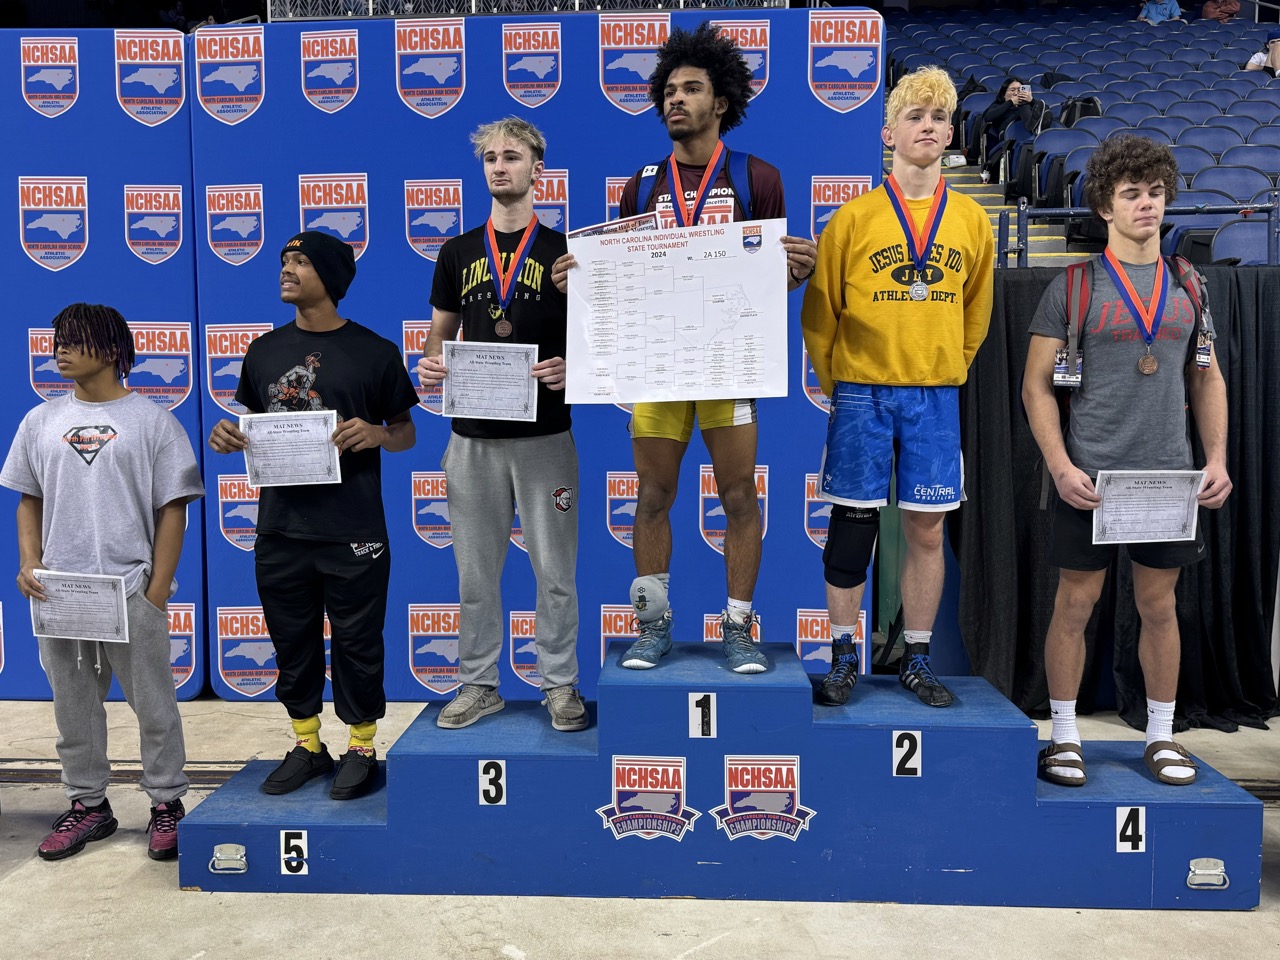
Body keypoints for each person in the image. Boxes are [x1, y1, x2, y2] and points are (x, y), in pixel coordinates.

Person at [552, 22, 817, 674]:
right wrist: (580, 280)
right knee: (651, 496)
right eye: (669, 90)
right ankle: (653, 627)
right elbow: (620, 282)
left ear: (721, 101)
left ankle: (738, 629)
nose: (676, 99)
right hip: (657, 368)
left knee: (739, 498)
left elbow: (769, 284)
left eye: (691, 89)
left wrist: (796, 270)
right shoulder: (642, 184)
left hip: (728, 366)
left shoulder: (757, 177)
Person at [1022, 135, 1231, 787]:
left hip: (1167, 476)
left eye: (1156, 192)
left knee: (1160, 606)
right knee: (1075, 604)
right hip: (1090, 474)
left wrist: (1217, 458)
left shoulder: (1189, 284)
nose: (1147, 203)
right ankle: (1063, 736)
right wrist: (1060, 465)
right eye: (1131, 193)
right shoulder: (1074, 286)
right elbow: (1036, 386)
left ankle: (1161, 736)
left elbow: (1206, 376)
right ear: (1105, 207)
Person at [801, 65, 995, 709]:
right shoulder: (853, 219)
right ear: (888, 133)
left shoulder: (971, 220)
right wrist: (841, 382)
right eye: (915, 116)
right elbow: (821, 313)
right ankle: (843, 658)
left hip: (934, 394)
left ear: (951, 133)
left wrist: (949, 365)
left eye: (939, 117)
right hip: (863, 392)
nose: (928, 127)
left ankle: (916, 657)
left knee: (927, 531)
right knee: (852, 529)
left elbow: (976, 308)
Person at [208, 231, 418, 801]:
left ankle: (362, 747)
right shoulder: (262, 351)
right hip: (281, 528)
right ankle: (307, 744)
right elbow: (253, 425)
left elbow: (406, 431)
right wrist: (228, 434)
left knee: (357, 643)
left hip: (353, 528)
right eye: (284, 260)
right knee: (291, 643)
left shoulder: (375, 351)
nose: (287, 269)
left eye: (301, 261)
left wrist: (377, 433)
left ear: (331, 277)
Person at [2, 304, 204, 861]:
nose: (59, 349)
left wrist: (156, 590)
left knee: (154, 705)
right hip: (59, 593)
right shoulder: (39, 421)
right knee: (72, 707)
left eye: (75, 340)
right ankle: (89, 805)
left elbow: (173, 508)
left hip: (131, 589)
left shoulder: (154, 422)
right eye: (57, 340)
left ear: (113, 350)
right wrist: (29, 562)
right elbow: (28, 499)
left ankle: (166, 801)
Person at [415, 117, 586, 733]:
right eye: (490, 158)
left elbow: (597, 342)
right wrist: (431, 364)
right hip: (473, 440)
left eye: (511, 156)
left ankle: (559, 684)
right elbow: (438, 335)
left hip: (545, 438)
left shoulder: (567, 253)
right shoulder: (457, 252)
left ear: (538, 168)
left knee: (555, 575)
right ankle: (478, 684)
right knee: (475, 576)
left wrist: (575, 368)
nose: (498, 167)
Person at [976, 77, 1049, 184]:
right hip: (1008, 140)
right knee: (1023, 108)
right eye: (1012, 90)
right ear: (1004, 94)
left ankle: (1035, 128)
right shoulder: (998, 106)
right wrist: (1010, 102)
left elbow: (1046, 112)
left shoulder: (1028, 107)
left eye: (1020, 90)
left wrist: (1032, 101)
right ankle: (1035, 128)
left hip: (1028, 139)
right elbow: (987, 117)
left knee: (1024, 107)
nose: (1016, 93)